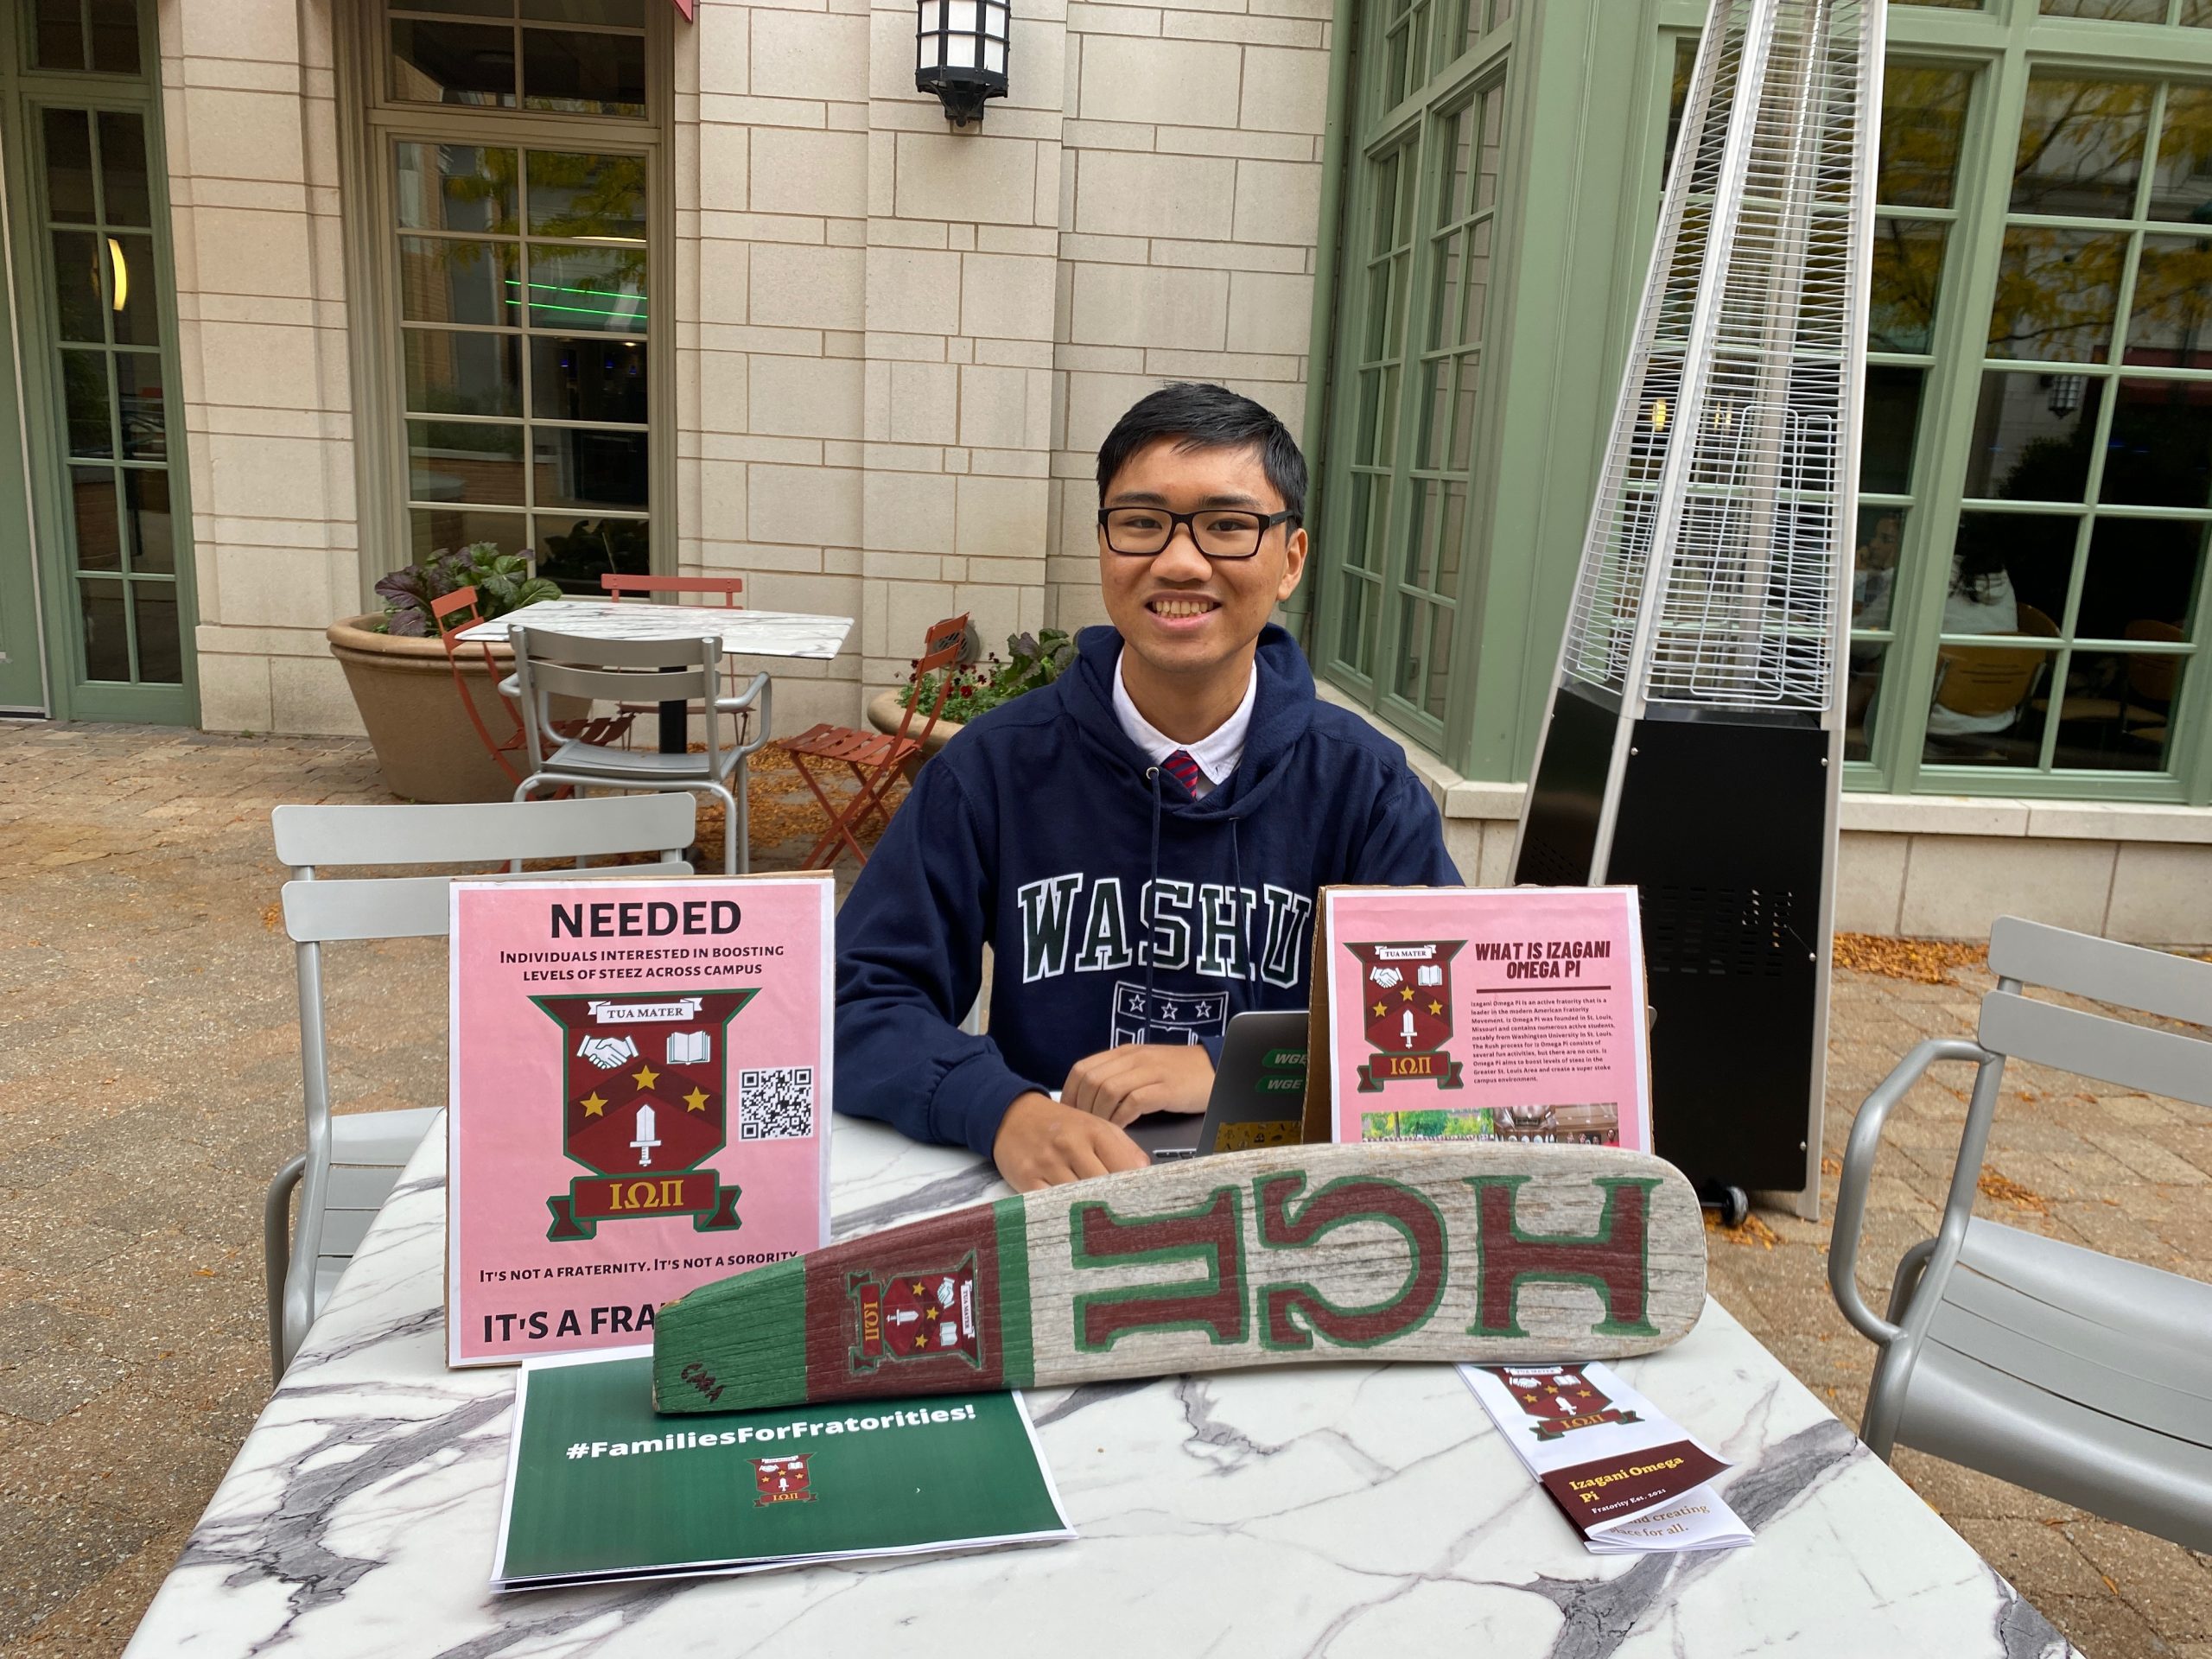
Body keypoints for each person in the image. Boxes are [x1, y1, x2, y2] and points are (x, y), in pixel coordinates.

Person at [834, 383, 1462, 1190]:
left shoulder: (1365, 788)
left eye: (1229, 526)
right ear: (1104, 546)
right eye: (1141, 523)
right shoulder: (991, 771)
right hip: (1059, 1196)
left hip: (1295, 1201)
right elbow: (861, 1000)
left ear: (1291, 561)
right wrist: (998, 1109)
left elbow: (1437, 1026)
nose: (1179, 561)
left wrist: (1236, 1070)